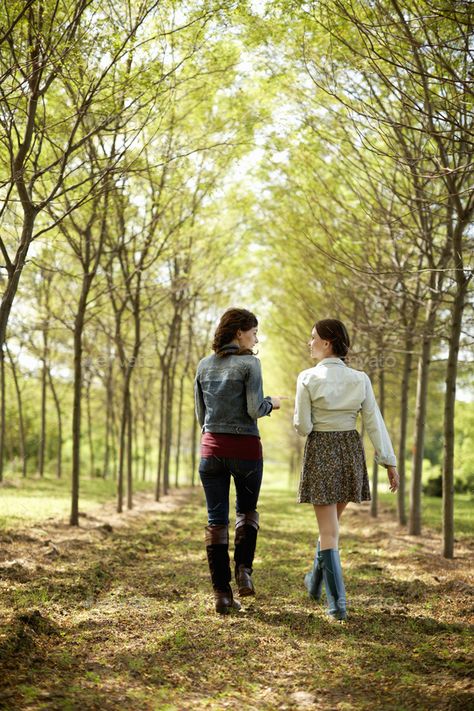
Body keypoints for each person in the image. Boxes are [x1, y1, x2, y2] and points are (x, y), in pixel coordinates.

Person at [293, 318, 399, 622]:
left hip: (322, 450)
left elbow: (304, 427)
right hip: (351, 452)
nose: (309, 343)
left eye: (313, 338)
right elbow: (373, 422)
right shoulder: (360, 378)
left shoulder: (307, 378)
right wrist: (388, 461)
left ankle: (337, 606)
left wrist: (306, 420)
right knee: (331, 527)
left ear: (328, 343)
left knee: (329, 531)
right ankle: (314, 584)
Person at [195, 308, 284, 614]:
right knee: (246, 512)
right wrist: (272, 402)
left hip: (211, 452)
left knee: (215, 520)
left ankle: (221, 594)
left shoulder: (204, 366)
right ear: (239, 333)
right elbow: (254, 409)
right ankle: (243, 571)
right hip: (246, 451)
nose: (256, 338)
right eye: (254, 332)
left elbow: (200, 417)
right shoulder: (250, 364)